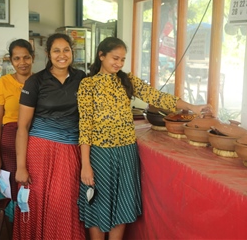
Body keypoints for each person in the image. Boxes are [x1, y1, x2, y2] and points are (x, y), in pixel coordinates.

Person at [77, 37, 212, 240]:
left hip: (126, 152)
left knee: (122, 204)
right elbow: (85, 125)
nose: (119, 63)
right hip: (99, 154)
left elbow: (156, 97)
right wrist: (85, 164)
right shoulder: (88, 85)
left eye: (122, 59)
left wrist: (192, 107)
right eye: (115, 58)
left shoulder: (127, 80)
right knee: (97, 202)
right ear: (101, 55)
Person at [14, 33, 86, 240]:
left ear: (73, 51)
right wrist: (20, 167)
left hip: (70, 151)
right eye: (56, 50)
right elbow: (22, 127)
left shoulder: (82, 78)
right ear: (48, 54)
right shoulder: (35, 82)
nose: (62, 55)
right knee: (36, 203)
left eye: (66, 50)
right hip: (39, 152)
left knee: (65, 204)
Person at [0, 39, 34, 238]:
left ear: (33, 57)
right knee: (12, 191)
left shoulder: (41, 81)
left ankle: (31, 230)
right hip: (9, 143)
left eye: (26, 57)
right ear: (10, 60)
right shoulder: (3, 84)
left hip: (36, 141)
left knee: (32, 189)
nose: (22, 62)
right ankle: (12, 232)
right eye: (17, 58)